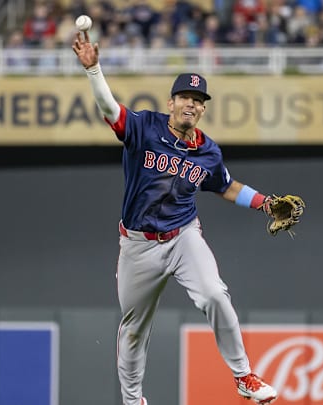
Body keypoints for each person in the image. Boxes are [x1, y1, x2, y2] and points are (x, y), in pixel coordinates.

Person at [72, 31, 287, 405]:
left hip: (183, 235)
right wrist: (94, 71)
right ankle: (133, 400)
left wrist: (265, 203)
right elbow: (110, 109)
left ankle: (243, 376)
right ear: (171, 102)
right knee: (134, 330)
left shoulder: (208, 152)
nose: (191, 103)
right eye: (186, 97)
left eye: (198, 99)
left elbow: (227, 186)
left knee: (215, 295)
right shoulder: (144, 128)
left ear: (203, 109)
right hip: (138, 245)